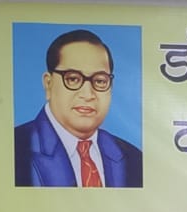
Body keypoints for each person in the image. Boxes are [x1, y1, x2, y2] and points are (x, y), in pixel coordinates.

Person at [14, 29, 142, 188]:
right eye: (73, 79)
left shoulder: (133, 159)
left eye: (100, 81)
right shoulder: (14, 150)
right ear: (48, 84)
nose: (88, 95)